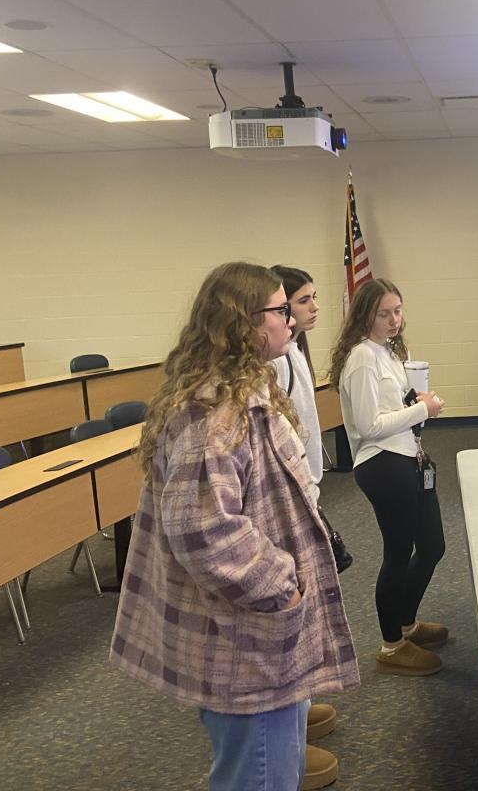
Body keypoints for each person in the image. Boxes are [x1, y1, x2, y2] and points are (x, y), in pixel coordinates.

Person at [110, 262, 359, 791]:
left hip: (255, 632)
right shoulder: (216, 414)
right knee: (261, 775)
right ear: (241, 322)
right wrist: (283, 586)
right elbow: (201, 531)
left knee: (274, 767)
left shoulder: (245, 392)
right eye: (279, 309)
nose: (290, 319)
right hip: (244, 639)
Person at [328, 278, 448, 677]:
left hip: (408, 457)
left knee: (431, 546)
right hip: (382, 464)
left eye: (397, 310)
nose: (394, 319)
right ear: (365, 315)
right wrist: (422, 410)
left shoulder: (390, 351)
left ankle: (407, 622)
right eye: (384, 313)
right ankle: (391, 644)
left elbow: (394, 408)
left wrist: (417, 403)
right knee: (398, 553)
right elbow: (369, 425)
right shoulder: (362, 357)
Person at [269, 265, 342, 784]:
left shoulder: (293, 351)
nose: (312, 308)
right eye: (301, 301)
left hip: (307, 486)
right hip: (290, 499)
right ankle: (287, 736)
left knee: (306, 608)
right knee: (290, 613)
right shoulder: (274, 363)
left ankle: (300, 704)